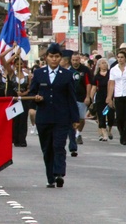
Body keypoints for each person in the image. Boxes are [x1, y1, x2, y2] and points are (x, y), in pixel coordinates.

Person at [29, 43, 79, 188]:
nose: (54, 59)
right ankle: (50, 177)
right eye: (51, 56)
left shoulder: (67, 75)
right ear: (46, 58)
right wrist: (35, 100)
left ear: (60, 58)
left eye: (57, 57)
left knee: (59, 146)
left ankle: (59, 173)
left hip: (61, 117)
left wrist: (75, 118)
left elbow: (71, 98)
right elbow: (32, 92)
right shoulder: (39, 74)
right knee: (47, 148)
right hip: (44, 117)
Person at [67, 53, 91, 153]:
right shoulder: (68, 70)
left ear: (79, 60)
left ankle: (78, 132)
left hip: (82, 97)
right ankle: (74, 135)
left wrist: (88, 96)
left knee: (81, 118)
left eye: (77, 60)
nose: (75, 62)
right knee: (71, 118)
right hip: (71, 98)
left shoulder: (85, 70)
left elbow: (88, 83)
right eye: (73, 60)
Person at [89, 60, 113, 141]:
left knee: (110, 115)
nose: (104, 65)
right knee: (101, 115)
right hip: (100, 97)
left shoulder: (111, 74)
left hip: (110, 96)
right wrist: (91, 99)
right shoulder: (97, 76)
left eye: (105, 63)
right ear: (99, 66)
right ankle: (104, 132)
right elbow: (93, 88)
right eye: (102, 63)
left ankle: (109, 130)